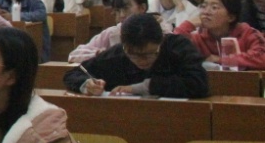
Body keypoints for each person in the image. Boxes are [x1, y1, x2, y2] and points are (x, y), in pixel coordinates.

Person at [64, 13, 208, 98]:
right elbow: (73, 74)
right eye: (134, 55)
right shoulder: (118, 54)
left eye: (150, 54)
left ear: (161, 40)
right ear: (124, 46)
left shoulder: (178, 47)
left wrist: (141, 87)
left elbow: (199, 84)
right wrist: (87, 84)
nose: (142, 61)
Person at [174, 0, 265, 70]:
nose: (206, 12)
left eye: (214, 7)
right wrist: (188, 24)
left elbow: (262, 57)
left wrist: (221, 60)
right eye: (203, 6)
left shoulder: (248, 33)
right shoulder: (198, 38)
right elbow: (171, 50)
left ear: (231, 17)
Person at [67, 0, 147, 63]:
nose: (121, 15)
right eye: (117, 11)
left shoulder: (152, 30)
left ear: (142, 8)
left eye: (126, 9)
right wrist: (99, 54)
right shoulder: (112, 32)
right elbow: (73, 55)